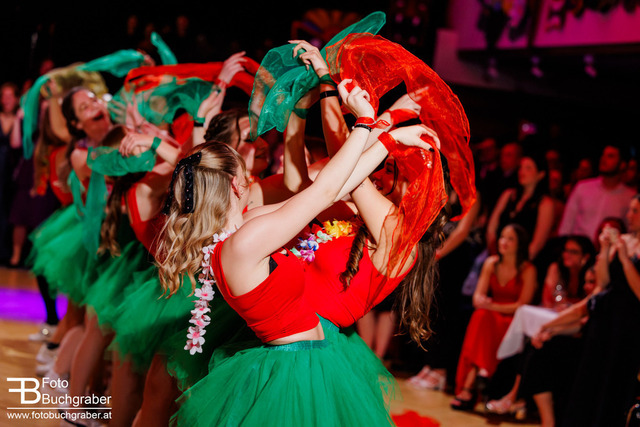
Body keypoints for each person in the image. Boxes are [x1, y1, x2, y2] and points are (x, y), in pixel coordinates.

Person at [158, 81, 434, 426]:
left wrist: (387, 130)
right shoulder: (246, 241)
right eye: (246, 174)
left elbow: (334, 187)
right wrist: (371, 126)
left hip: (306, 358)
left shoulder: (245, 228)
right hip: (295, 367)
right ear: (235, 185)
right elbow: (324, 191)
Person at [533, 195, 640, 426]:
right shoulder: (623, 241)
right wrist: (606, 249)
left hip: (629, 323)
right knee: (592, 377)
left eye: (635, 211)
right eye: (630, 210)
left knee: (616, 380)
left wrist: (625, 260)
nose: (629, 215)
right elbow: (602, 283)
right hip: (604, 317)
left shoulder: (629, 250)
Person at [451, 223, 537, 410]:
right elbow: (477, 298)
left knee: (483, 318)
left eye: (510, 239)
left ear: (520, 244)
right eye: (502, 237)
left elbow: (522, 306)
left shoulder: (527, 269)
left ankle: (469, 386)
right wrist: (487, 305)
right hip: (490, 317)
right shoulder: (491, 263)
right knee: (481, 316)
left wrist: (492, 305)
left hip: (512, 320)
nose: (503, 242)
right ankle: (482, 372)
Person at [558, 144, 635, 242]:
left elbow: (630, 231)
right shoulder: (582, 187)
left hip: (607, 249)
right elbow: (567, 224)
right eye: (603, 155)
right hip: (578, 248)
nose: (603, 159)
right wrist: (562, 244)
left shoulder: (629, 197)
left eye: (610, 156)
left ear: (622, 164)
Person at [486, 152, 555, 261]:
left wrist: (515, 265)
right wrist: (495, 254)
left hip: (523, 261)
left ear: (541, 174)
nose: (522, 172)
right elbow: (491, 228)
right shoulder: (508, 195)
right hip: (497, 255)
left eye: (528, 168)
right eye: (521, 168)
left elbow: (537, 243)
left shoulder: (545, 203)